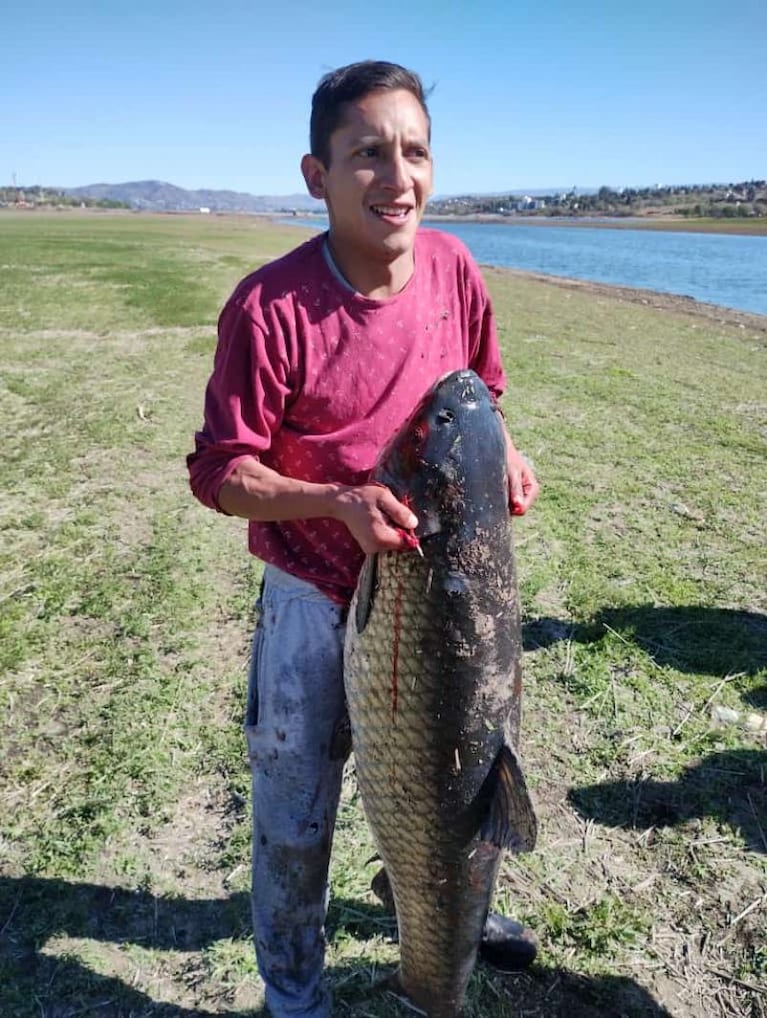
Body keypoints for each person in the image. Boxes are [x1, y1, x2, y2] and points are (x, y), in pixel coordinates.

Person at [188, 59, 539, 1018]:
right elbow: (220, 470)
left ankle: (447, 919)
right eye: (367, 154)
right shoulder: (271, 307)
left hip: (449, 597)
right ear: (318, 176)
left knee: (468, 782)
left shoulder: (457, 270)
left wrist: (502, 451)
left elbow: (482, 393)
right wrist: (336, 502)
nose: (397, 176)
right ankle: (294, 994)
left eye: (414, 151)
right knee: (294, 819)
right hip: (314, 589)